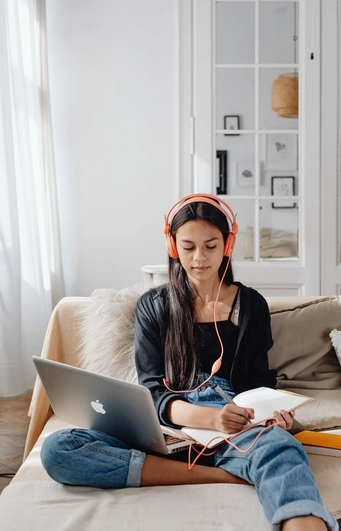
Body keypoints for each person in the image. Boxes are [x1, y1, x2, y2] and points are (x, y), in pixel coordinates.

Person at [41, 194, 338, 531]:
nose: (199, 258)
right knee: (59, 450)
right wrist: (212, 419)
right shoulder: (154, 306)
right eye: (188, 246)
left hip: (235, 422)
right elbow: (153, 392)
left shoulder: (251, 305)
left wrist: (272, 415)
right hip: (170, 423)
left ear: (227, 244)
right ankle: (221, 475)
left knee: (283, 450)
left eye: (211, 246)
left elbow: (257, 380)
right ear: (173, 246)